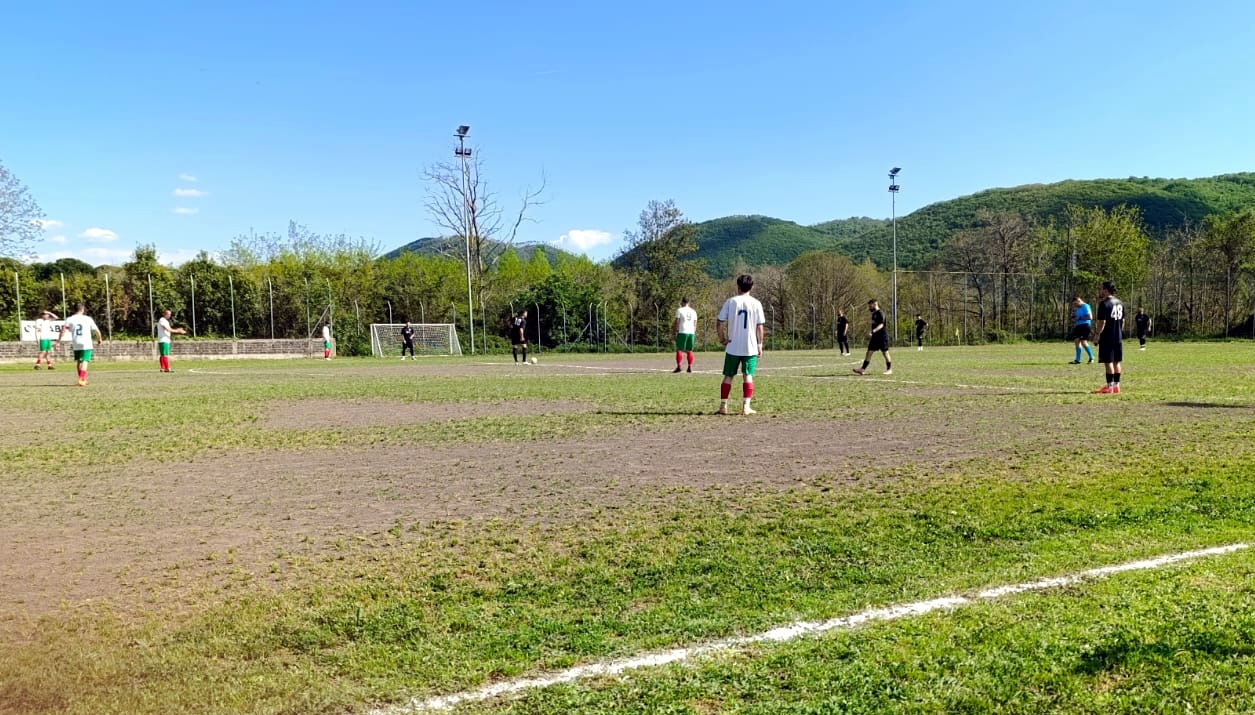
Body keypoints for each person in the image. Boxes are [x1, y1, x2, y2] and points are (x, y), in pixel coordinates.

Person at [716, 274, 765, 415]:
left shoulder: (731, 302)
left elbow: (719, 322)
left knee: (728, 376)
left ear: (738, 286)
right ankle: (746, 407)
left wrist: (722, 339)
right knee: (748, 375)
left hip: (733, 346)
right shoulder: (756, 303)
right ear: (752, 287)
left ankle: (723, 406)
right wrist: (760, 345)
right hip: (750, 346)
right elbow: (759, 326)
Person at [1092, 281, 1125, 394]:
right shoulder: (1120, 302)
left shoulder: (1104, 304)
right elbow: (1123, 321)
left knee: (1108, 362)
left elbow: (1102, 322)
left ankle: (1109, 386)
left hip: (1107, 337)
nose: (1100, 291)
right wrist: (1119, 332)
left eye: (1101, 289)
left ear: (1106, 290)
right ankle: (1116, 386)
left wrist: (1097, 335)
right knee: (1116, 362)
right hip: (1118, 337)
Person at [59, 303, 102, 387]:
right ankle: (81, 379)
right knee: (85, 361)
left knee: (79, 361)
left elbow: (63, 331)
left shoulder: (69, 319)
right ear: (82, 309)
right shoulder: (88, 319)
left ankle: (82, 379)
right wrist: (99, 338)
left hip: (76, 342)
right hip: (86, 343)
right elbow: (96, 330)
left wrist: (58, 341)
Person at [853, 299, 892, 376]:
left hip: (882, 337)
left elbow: (881, 325)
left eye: (870, 306)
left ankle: (889, 369)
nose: (869, 308)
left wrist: (873, 331)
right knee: (869, 352)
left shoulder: (881, 313)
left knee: (885, 353)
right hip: (875, 337)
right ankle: (862, 369)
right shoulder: (874, 314)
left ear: (875, 304)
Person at [672, 297, 698, 373]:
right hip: (691, 332)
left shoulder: (680, 310)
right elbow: (695, 323)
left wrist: (674, 331)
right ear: (688, 302)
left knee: (679, 349)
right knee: (689, 350)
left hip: (682, 331)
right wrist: (693, 332)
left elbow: (677, 321)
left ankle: (679, 366)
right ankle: (690, 367)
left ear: (682, 302)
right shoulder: (693, 311)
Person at [1069, 297, 1094, 364]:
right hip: (1078, 326)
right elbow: (1079, 317)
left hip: (1085, 326)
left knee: (1083, 342)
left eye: (1075, 304)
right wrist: (1074, 318)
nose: (1075, 305)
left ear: (1079, 301)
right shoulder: (1078, 308)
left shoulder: (1086, 306)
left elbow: (1090, 317)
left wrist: (1079, 318)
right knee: (1076, 341)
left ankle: (1091, 358)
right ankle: (1078, 360)